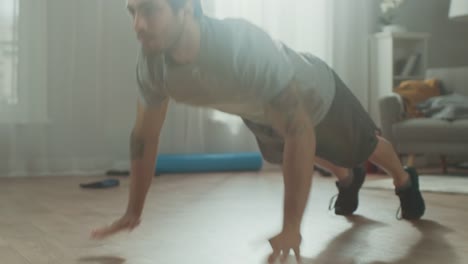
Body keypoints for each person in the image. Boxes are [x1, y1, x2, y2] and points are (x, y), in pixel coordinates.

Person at [91, 0, 426, 262]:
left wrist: (292, 228)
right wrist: (133, 211)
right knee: (289, 153)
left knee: (362, 147)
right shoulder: (153, 61)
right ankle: (348, 178)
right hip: (259, 110)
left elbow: (301, 132)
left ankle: (404, 179)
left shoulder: (240, 46)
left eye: (150, 10)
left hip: (317, 93)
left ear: (187, 8)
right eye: (132, 12)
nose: (138, 25)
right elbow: (144, 137)